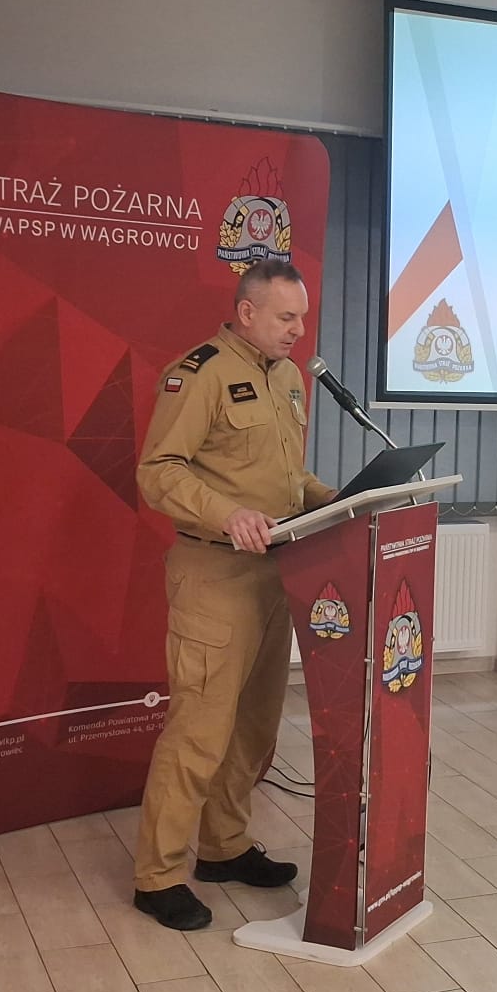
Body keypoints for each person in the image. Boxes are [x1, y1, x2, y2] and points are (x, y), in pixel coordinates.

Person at [131, 260, 336, 931]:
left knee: (254, 725)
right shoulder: (200, 373)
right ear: (247, 312)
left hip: (276, 574)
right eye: (286, 317)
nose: (298, 331)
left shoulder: (287, 377)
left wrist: (336, 499)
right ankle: (158, 876)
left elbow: (283, 475)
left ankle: (224, 846)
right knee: (199, 731)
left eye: (302, 318)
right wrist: (226, 514)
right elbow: (158, 471)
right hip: (214, 574)